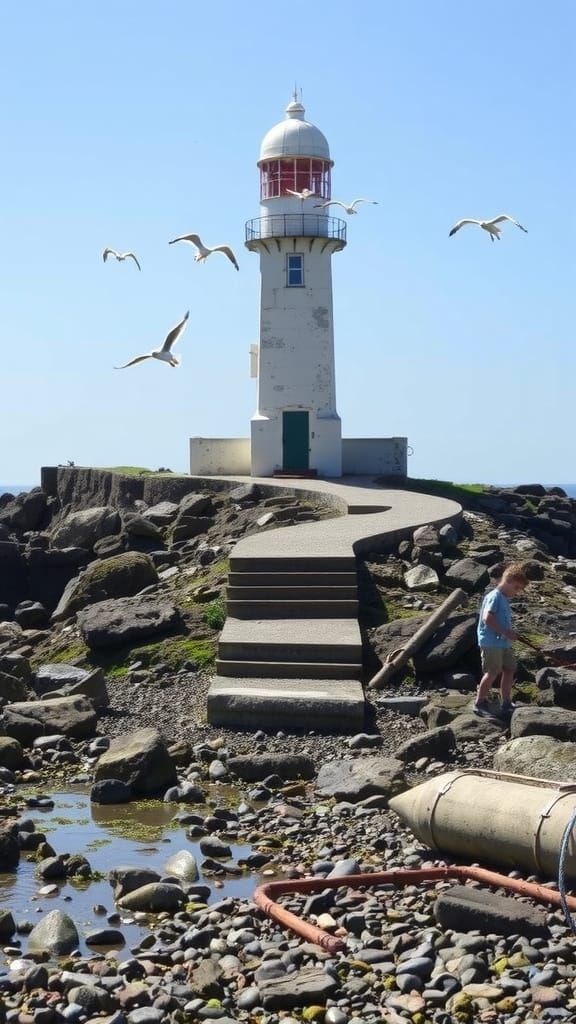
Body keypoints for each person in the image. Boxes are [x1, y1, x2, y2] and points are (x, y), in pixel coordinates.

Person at [474, 563, 529, 717]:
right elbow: (487, 618)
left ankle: (506, 701)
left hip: (503, 642)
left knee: (510, 668)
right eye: (517, 588)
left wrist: (509, 633)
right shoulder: (494, 596)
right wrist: (505, 631)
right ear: (508, 581)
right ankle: (480, 702)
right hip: (491, 642)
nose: (517, 592)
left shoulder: (504, 598)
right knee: (492, 672)